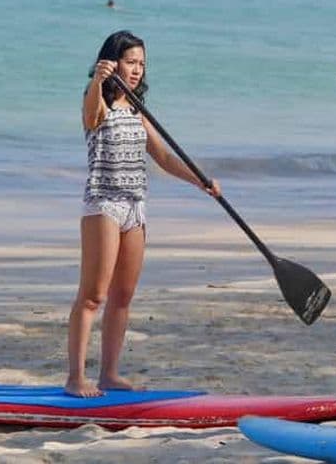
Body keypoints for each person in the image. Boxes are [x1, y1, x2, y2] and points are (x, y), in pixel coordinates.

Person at [66, 30, 221, 397]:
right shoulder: (97, 101)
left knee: (123, 295)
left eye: (141, 64)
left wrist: (200, 180)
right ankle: (75, 378)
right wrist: (98, 82)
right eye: (130, 62)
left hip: (136, 207)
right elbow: (91, 118)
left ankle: (109, 374)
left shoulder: (136, 108)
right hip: (103, 205)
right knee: (93, 296)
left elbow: (164, 157)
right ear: (112, 61)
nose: (136, 70)